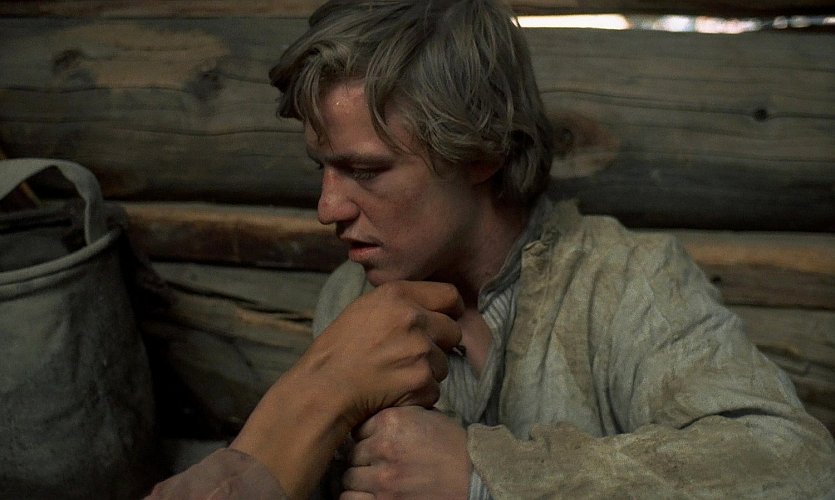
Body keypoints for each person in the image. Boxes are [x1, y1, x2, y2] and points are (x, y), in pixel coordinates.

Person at [148, 0, 835, 498]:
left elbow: (796, 466)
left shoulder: (623, 280)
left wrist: (489, 479)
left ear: (480, 150)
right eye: (322, 168)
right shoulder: (351, 296)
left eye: (366, 170)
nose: (328, 207)